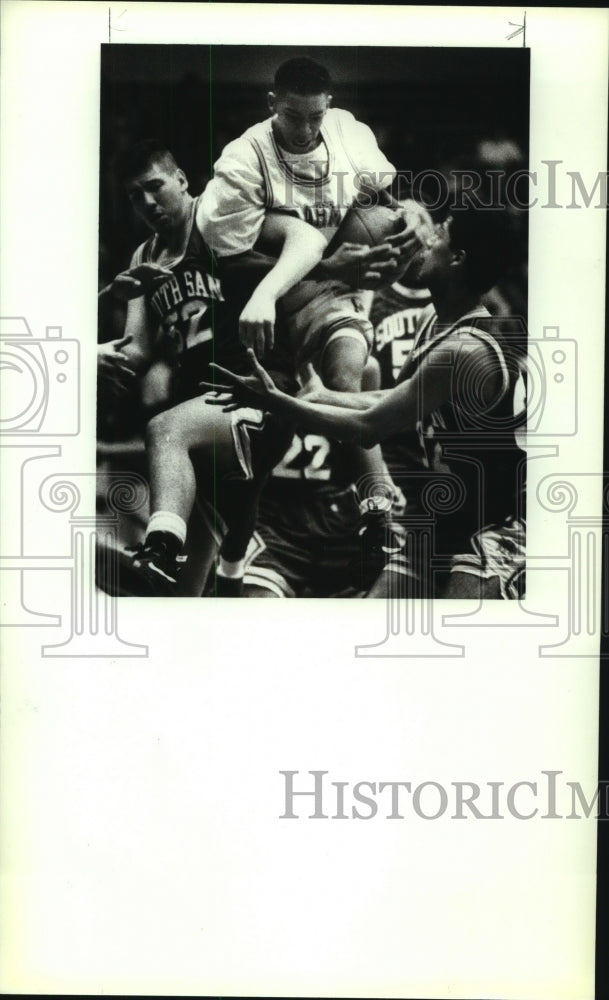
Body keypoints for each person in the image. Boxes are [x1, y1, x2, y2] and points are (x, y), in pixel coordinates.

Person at [207, 203, 527, 599]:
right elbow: (397, 399)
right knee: (373, 631)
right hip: (448, 520)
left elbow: (371, 425)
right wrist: (322, 396)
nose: (427, 239)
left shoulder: (464, 348)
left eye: (439, 234)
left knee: (449, 648)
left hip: (497, 525)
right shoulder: (436, 323)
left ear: (458, 259)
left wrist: (275, 399)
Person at [96, 139, 329, 596]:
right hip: (202, 415)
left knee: (163, 429)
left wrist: (266, 293)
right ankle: (226, 577)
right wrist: (100, 322)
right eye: (134, 196)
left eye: (154, 187)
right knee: (183, 596)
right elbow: (138, 352)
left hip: (255, 390)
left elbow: (309, 239)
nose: (147, 203)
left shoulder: (221, 215)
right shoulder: (143, 257)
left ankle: (161, 546)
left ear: (181, 180)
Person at [199, 56, 406, 560]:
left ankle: (376, 499)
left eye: (315, 116)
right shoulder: (243, 160)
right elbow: (233, 264)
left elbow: (386, 205)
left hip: (332, 296)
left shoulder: (348, 135)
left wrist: (381, 248)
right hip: (264, 302)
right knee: (249, 476)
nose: (305, 129)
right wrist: (327, 265)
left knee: (346, 368)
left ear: (329, 107)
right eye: (294, 116)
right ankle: (230, 562)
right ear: (272, 105)